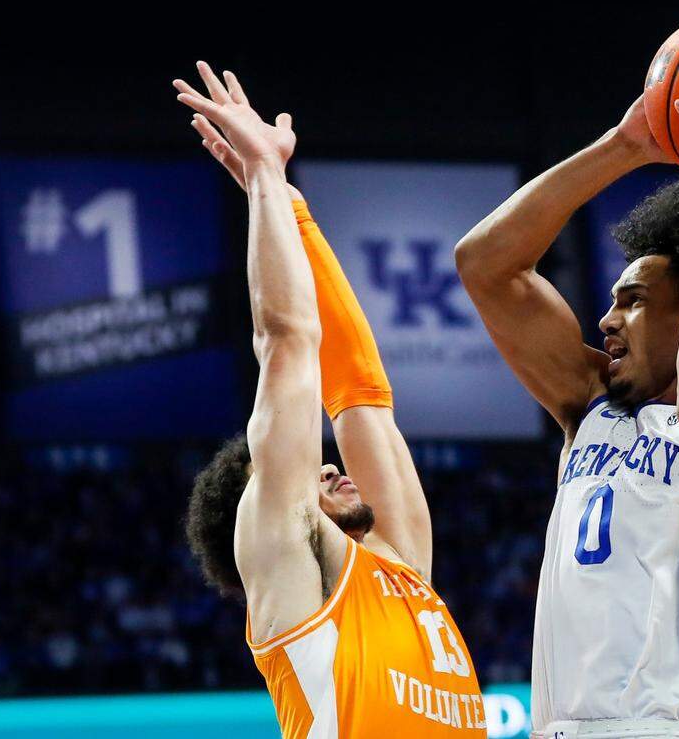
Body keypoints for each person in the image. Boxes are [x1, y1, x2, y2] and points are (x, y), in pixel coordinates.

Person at [455, 66, 679, 738]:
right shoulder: (590, 405)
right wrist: (626, 144)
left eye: (633, 300)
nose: (606, 319)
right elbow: (485, 265)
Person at [174, 62, 486, 738]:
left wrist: (289, 203)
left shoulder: (400, 564)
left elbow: (362, 394)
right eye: (306, 472)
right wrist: (259, 180)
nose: (326, 466)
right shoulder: (288, 576)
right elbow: (288, 342)